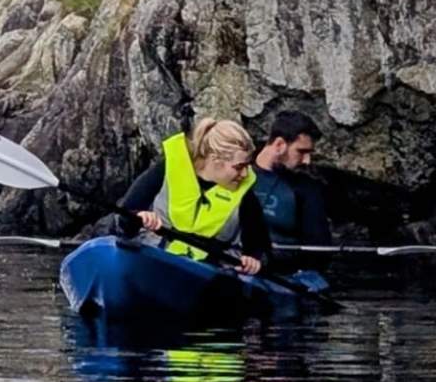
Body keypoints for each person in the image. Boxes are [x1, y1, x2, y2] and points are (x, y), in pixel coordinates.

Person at [117, 118, 269, 275]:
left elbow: (259, 249)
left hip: (207, 277)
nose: (245, 174)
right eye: (239, 167)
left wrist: (253, 260)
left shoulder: (246, 197)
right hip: (155, 263)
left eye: (247, 166)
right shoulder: (166, 170)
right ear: (215, 160)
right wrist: (139, 217)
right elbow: (124, 220)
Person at [252, 111, 332, 248]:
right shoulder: (236, 174)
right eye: (301, 152)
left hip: (281, 266)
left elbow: (319, 249)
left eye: (309, 153)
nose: (307, 161)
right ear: (279, 145)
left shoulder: (307, 189)